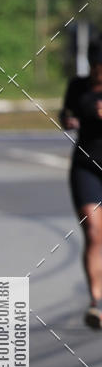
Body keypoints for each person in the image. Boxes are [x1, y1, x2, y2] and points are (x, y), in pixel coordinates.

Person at [61, 40, 102, 328]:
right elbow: (66, 114)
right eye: (96, 67)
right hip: (85, 166)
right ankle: (96, 302)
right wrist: (68, 120)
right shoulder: (78, 86)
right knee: (94, 231)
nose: (99, 73)